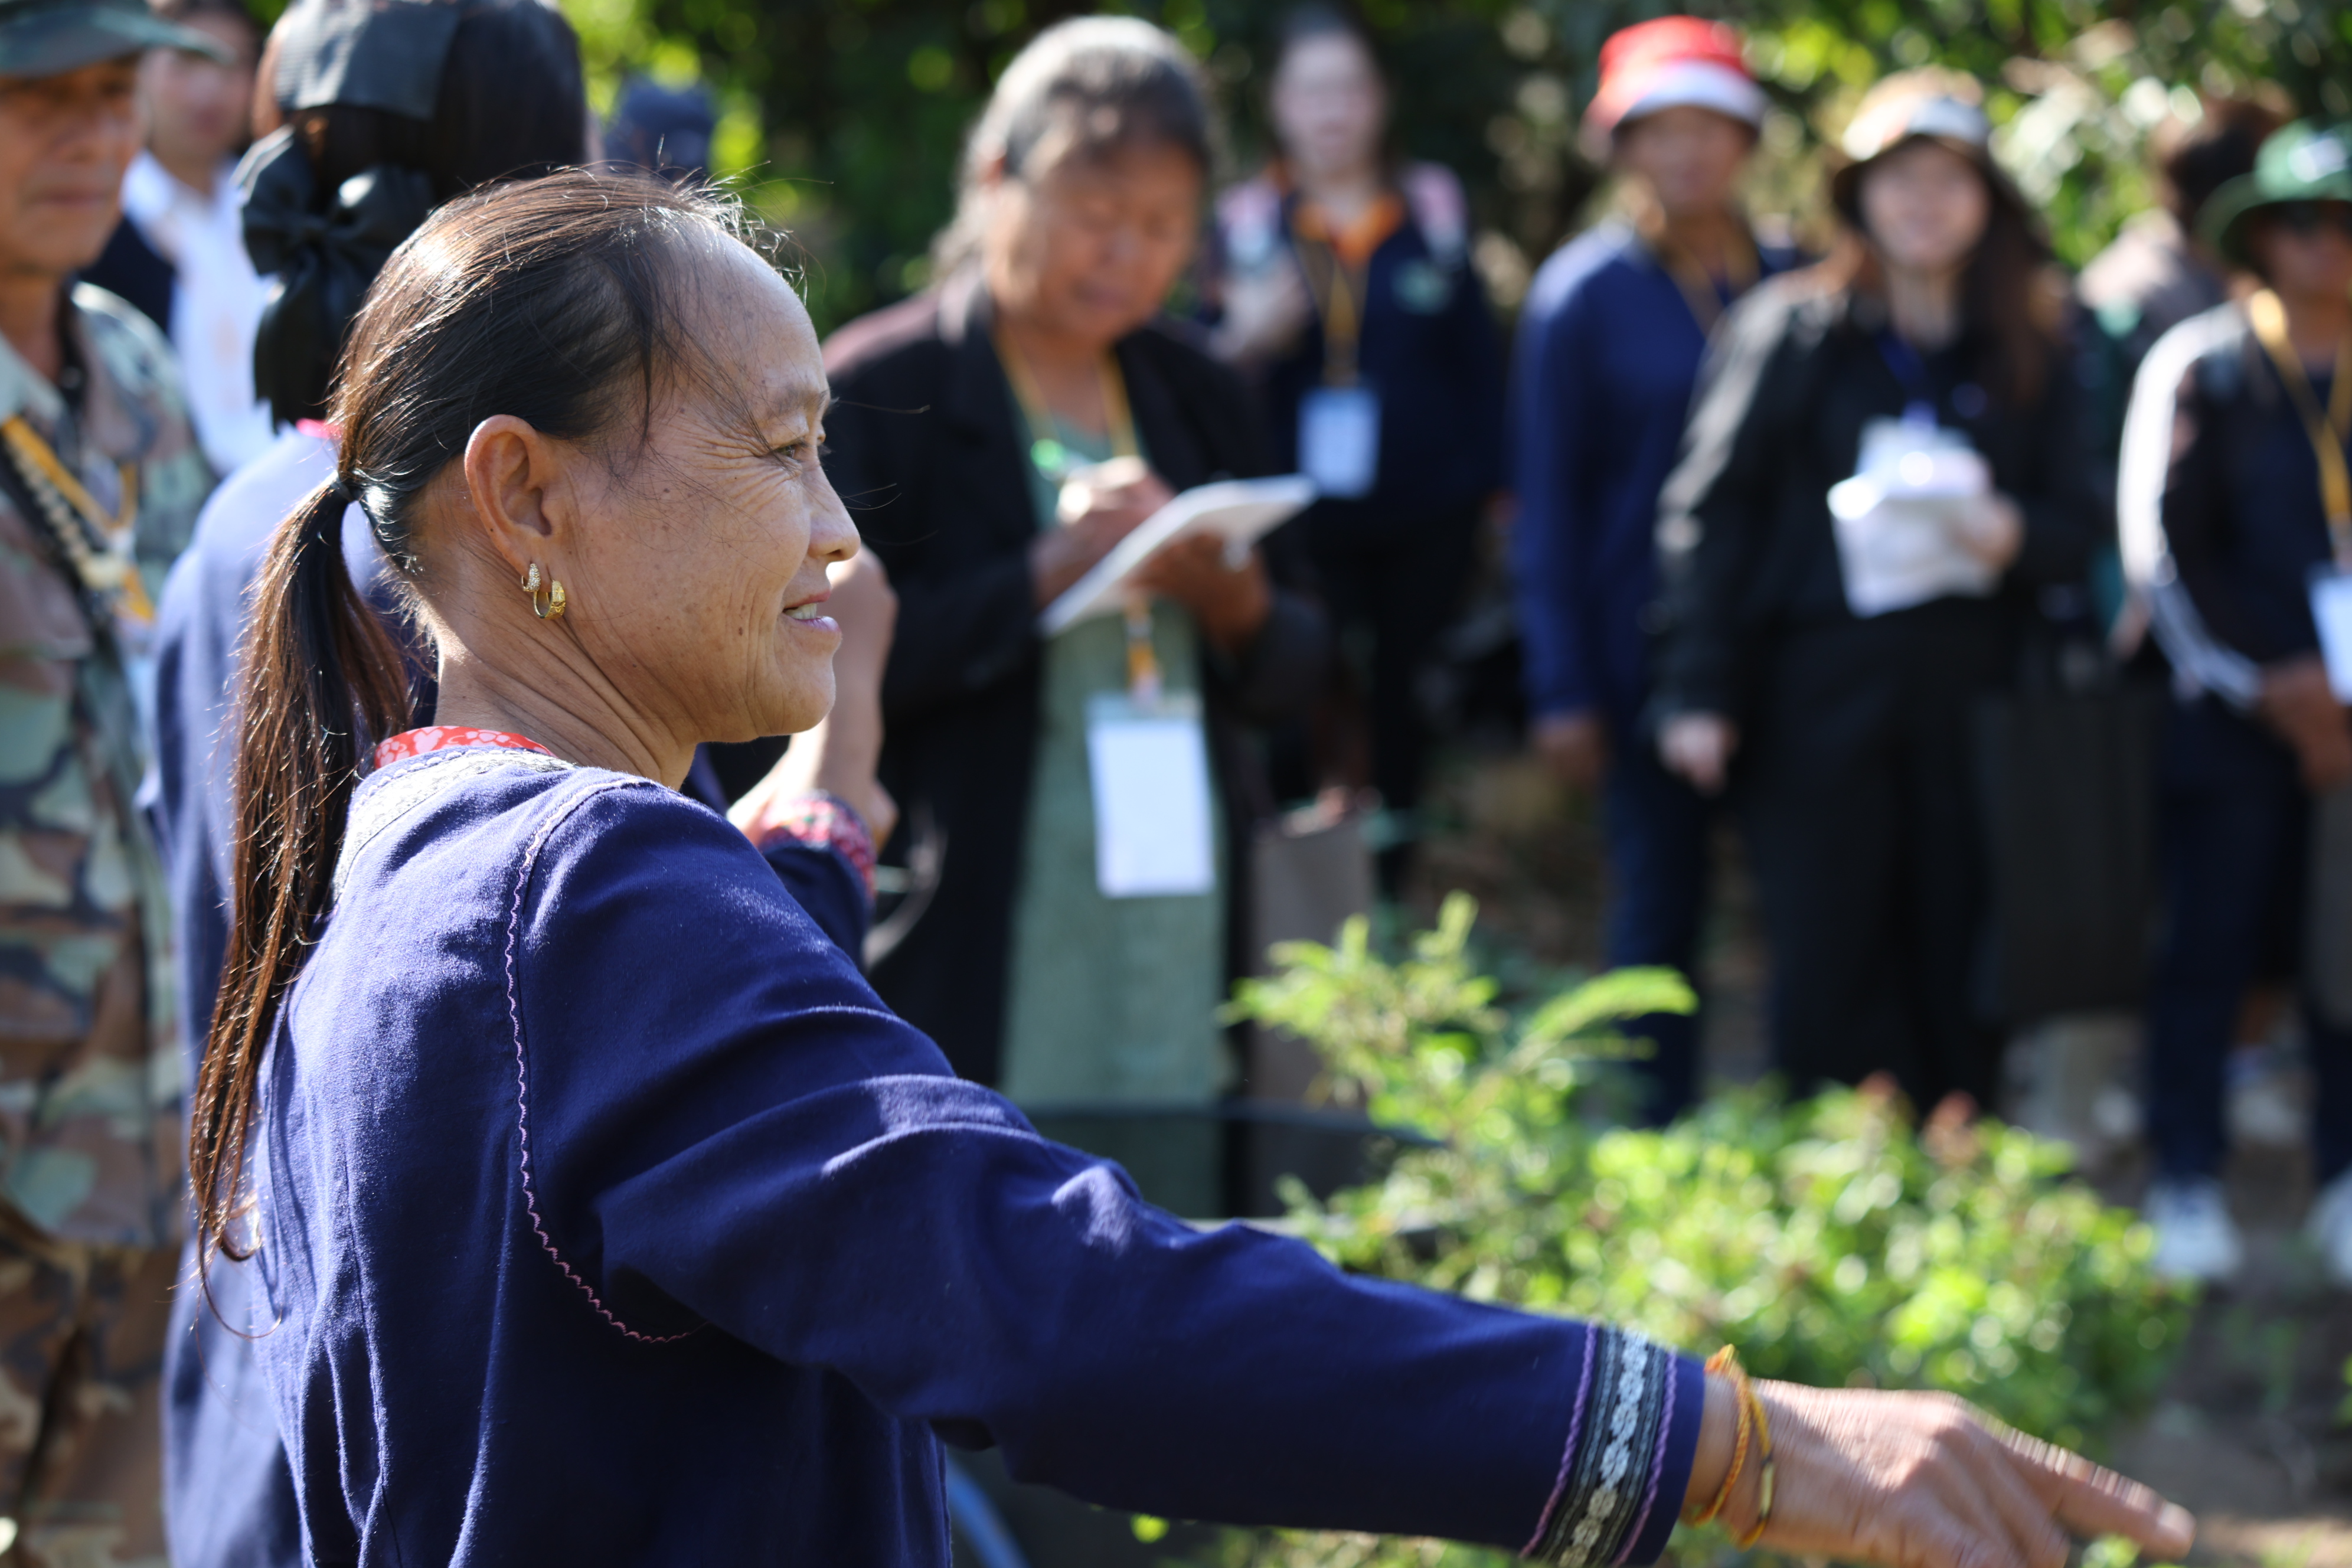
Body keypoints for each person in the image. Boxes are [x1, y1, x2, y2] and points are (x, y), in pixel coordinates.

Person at [191, 159, 2199, 1568]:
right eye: (782, 447)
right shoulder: (589, 899)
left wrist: (825, 790)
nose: (839, 527)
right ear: (526, 494)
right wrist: (1727, 1437)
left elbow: (686, 1101)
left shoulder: (424, 847)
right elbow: (1066, 1313)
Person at [142, 0, 668, 1561]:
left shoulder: (245, 510)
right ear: (545, 196)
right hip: (427, 1399)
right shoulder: (494, 542)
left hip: (251, 1326)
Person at [822, 19, 1327, 1217]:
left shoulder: (1195, 389)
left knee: (1177, 1211)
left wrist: (1232, 597)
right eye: (1096, 212)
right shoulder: (881, 388)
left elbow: (1303, 671)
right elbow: (804, 669)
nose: (1127, 254)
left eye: (1162, 225)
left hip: (1180, 907)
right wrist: (1047, 572)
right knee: (988, 1210)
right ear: (999, 174)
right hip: (975, 900)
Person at [1651, 71, 2101, 1112]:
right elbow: (1711, 513)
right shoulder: (1793, 331)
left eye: (1947, 180)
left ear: (1988, 199)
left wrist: (2014, 534)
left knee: (1958, 938)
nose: (1921, 204)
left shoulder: (2032, 343)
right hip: (1817, 696)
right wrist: (1697, 687)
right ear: (1855, 196)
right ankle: (1831, 1163)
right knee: (1827, 943)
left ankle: (1956, 1152)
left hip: (1972, 693)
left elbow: (2081, 528)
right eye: (1898, 180)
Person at [0, 0, 223, 1559]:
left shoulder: (133, 367)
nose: (90, 139)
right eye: (37, 99)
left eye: (110, 93)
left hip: (152, 1140)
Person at [1510, 15, 1791, 1122]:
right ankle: (1651, 1140)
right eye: (1658, 129)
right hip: (1635, 650)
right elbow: (1546, 503)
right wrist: (1562, 685)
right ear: (1621, 146)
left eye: (1707, 127)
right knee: (1657, 909)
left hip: (1782, 644)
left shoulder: (1794, 276)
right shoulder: (1581, 296)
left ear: (1745, 139)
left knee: (1802, 901)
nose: (1685, 152)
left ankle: (1810, 1130)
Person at [2116, 119, 2352, 1284]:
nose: (2325, 246)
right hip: (2231, 718)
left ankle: (2342, 1177)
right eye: (2301, 223)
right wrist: (2271, 687)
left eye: (2344, 222)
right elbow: (2160, 554)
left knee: (2342, 953)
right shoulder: (2200, 363)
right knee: (2210, 945)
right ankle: (2185, 1174)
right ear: (2259, 235)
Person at [1206, 2, 1502, 891]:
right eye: (1312, 91)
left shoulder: (1432, 210)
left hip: (1427, 513)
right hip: (1296, 518)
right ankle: (1298, 889)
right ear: (1279, 105)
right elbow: (1192, 375)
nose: (1332, 112)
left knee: (1408, 699)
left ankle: (1392, 885)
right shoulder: (1246, 224)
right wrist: (1243, 337)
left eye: (1350, 90)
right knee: (1297, 691)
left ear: (1382, 99)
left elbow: (1480, 363)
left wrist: (1496, 493)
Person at [83, 0, 272, 475]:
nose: (209, 90)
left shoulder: (274, 206)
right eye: (186, 63)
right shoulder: (96, 220)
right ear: (138, 73)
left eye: (232, 65)